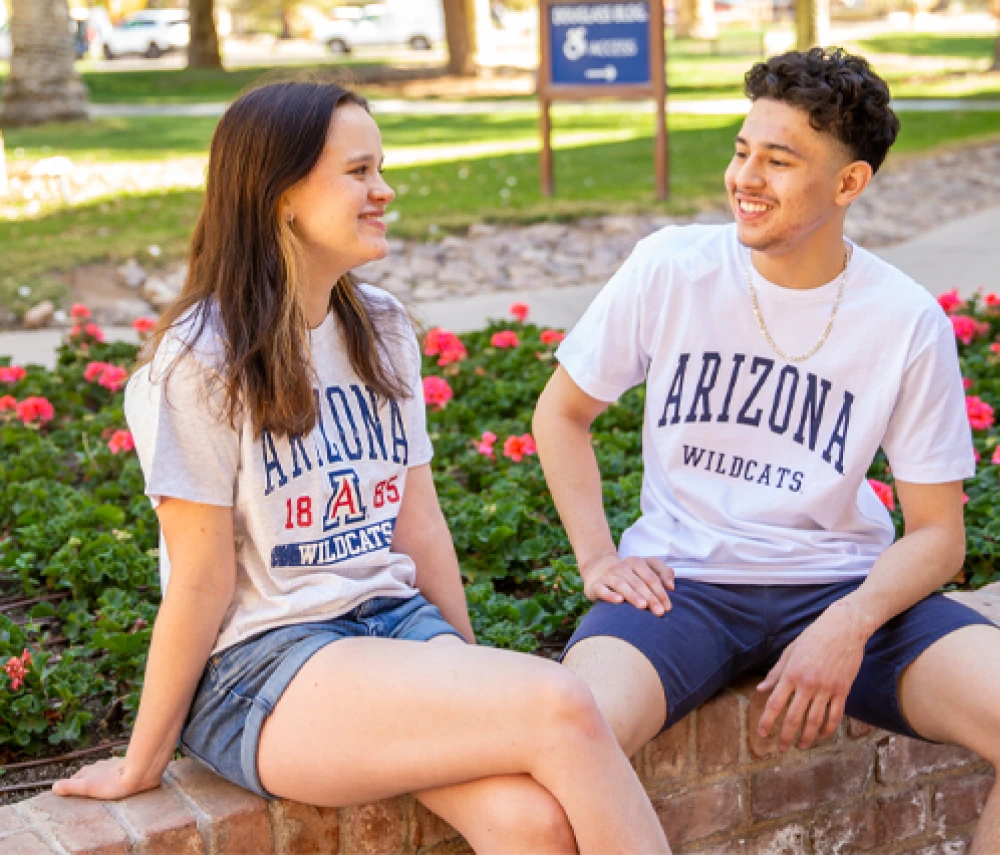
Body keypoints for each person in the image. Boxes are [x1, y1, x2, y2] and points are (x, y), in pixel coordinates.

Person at [52, 81, 669, 855]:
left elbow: (421, 522)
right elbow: (200, 579)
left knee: (528, 820)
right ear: (281, 195)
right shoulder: (200, 360)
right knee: (560, 703)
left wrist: (473, 681)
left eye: (381, 167)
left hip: (394, 627)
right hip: (266, 666)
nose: (386, 190)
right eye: (360, 171)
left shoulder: (378, 327)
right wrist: (143, 763)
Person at [533, 48, 1000, 853]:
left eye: (780, 159)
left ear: (849, 184)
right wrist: (596, 555)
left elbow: (940, 534)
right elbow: (563, 413)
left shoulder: (902, 320)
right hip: (682, 589)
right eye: (741, 150)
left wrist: (850, 620)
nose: (746, 178)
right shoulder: (672, 268)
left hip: (840, 584)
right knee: (560, 757)